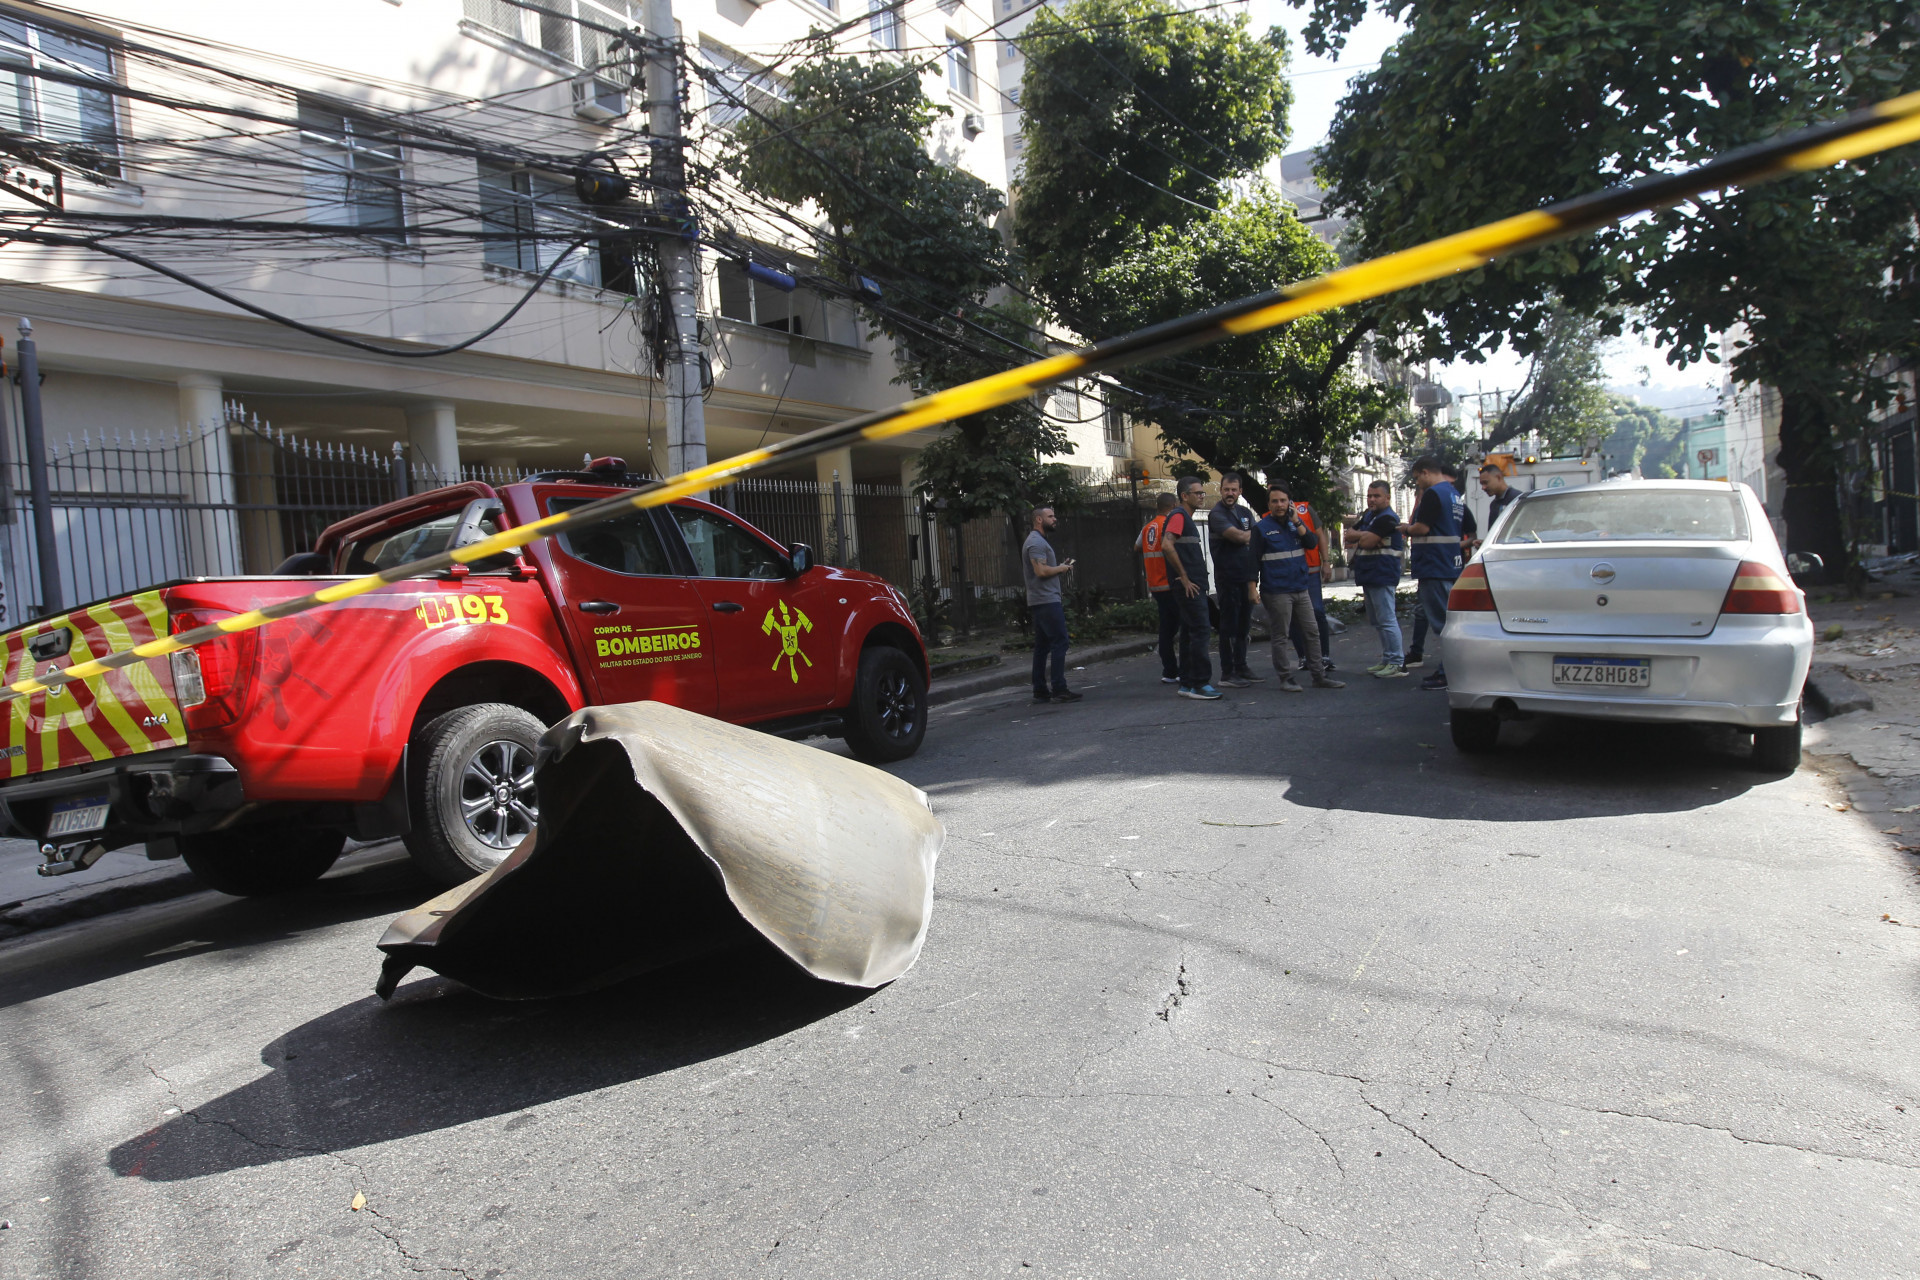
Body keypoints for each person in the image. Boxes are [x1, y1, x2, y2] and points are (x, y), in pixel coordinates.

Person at [1252, 480, 1345, 692]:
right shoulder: (1262, 529)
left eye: (1283, 501)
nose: (1279, 505)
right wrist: (1252, 587)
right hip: (1276, 590)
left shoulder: (1296, 525)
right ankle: (1286, 678)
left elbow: (1311, 543)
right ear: (1269, 505)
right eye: (1274, 501)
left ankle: (1319, 676)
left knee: (1312, 631)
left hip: (1300, 587)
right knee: (1281, 635)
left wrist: (1298, 522)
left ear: (1289, 503)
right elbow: (1253, 560)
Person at [1398, 457, 1464, 692]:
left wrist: (1405, 529)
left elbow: (1422, 528)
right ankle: (1451, 670)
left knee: (1442, 625)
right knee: (1449, 622)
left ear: (1425, 473)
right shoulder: (1454, 495)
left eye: (1416, 478)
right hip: (1449, 564)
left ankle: (1448, 673)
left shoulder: (1434, 494)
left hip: (1435, 565)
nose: (1417, 484)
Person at [1161, 476, 1221, 699]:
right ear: (1184, 496)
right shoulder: (1179, 516)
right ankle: (1200, 683)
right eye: (1197, 493)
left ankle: (1187, 682)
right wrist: (1184, 577)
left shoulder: (1184, 518)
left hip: (1192, 585)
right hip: (1189, 586)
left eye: (1203, 492)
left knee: (1188, 632)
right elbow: (1167, 545)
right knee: (1200, 631)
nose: (1202, 496)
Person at [1343, 480, 1407, 678]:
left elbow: (1366, 541)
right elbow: (1348, 536)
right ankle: (1388, 659)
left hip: (1382, 574)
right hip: (1369, 574)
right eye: (1369, 495)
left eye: (1376, 496)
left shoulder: (1388, 518)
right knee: (1378, 621)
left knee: (1387, 620)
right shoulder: (1370, 516)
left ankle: (1397, 662)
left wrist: (1362, 536)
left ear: (1387, 498)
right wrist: (1364, 535)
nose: (1371, 499)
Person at [1023, 505, 1082, 704]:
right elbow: (1040, 571)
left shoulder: (1038, 541)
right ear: (1039, 520)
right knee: (1060, 641)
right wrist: (1061, 568)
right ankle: (1059, 688)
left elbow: (1044, 568)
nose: (1054, 519)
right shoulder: (1036, 542)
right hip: (1046, 600)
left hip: (1042, 599)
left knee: (1042, 646)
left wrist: (1059, 566)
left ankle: (1040, 689)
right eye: (1050, 516)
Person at [1208, 472, 1262, 687]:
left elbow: (1256, 538)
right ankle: (1227, 673)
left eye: (1234, 489)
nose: (1230, 493)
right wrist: (1257, 535)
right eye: (1226, 489)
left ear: (1240, 491)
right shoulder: (1216, 514)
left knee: (1244, 625)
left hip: (1246, 577)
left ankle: (1241, 666)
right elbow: (1240, 537)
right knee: (1228, 626)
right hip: (1228, 578)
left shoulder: (1245, 512)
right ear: (1220, 490)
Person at [1286, 490, 1337, 672]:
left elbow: (1320, 535)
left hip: (1311, 569)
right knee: (1292, 617)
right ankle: (1303, 657)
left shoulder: (1305, 510)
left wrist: (1326, 561)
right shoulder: (1268, 518)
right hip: (1288, 573)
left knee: (1317, 612)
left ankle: (1324, 656)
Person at [1135, 491, 1182, 684]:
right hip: (1170, 583)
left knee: (1166, 629)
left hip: (1155, 585)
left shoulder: (1147, 528)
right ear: (1172, 506)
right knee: (1184, 626)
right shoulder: (1169, 525)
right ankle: (1183, 670)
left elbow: (1137, 547)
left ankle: (1170, 671)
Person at [1480, 462, 1520, 533]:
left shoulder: (1517, 499)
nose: (1483, 488)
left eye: (1485, 482)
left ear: (1498, 477)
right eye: (1481, 484)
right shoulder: (1493, 505)